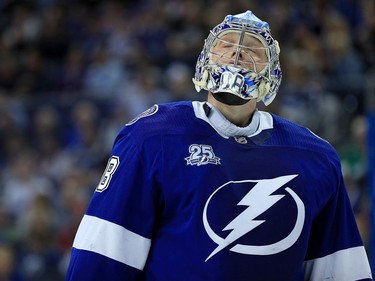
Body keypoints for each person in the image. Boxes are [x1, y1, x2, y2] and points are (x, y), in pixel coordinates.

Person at [65, 10, 373, 281]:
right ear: (204, 61)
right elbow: (103, 256)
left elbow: (340, 270)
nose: (237, 53)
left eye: (253, 49)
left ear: (272, 76)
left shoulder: (315, 156)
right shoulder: (150, 137)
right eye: (225, 46)